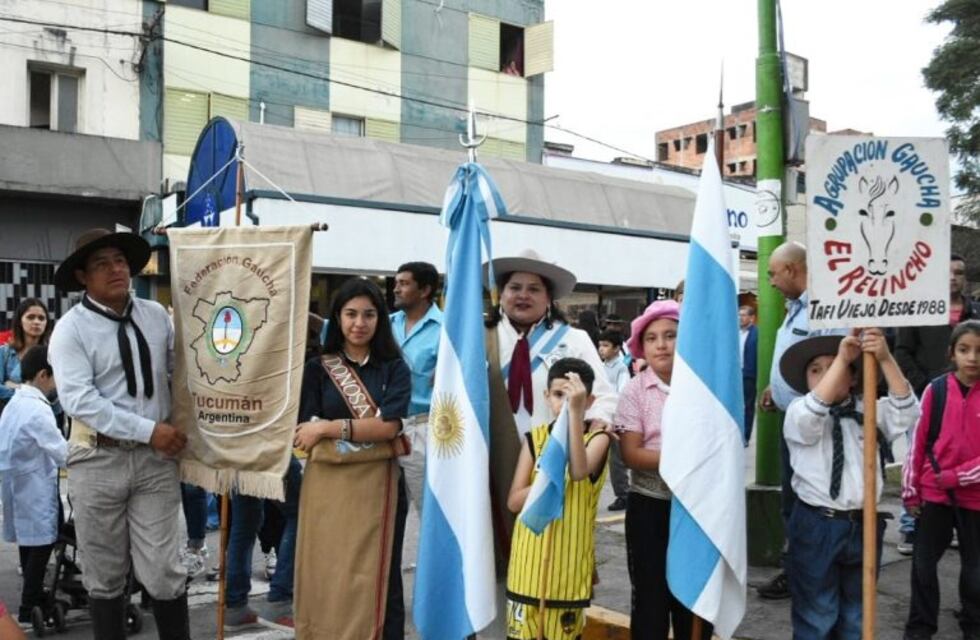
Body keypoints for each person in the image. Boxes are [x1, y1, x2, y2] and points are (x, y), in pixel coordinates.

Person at [48, 228, 190, 639]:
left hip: (155, 462)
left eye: (120, 261)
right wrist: (150, 431)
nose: (115, 269)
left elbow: (178, 373)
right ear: (82, 278)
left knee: (165, 570)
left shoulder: (156, 315)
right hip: (97, 459)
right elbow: (80, 401)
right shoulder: (70, 330)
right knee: (104, 574)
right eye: (101, 264)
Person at [483, 249, 617, 637]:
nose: (522, 295)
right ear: (501, 293)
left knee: (545, 556)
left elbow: (604, 397)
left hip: (552, 464)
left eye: (533, 289)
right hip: (492, 463)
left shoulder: (573, 339)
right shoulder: (482, 335)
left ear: (548, 298)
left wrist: (590, 435)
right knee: (490, 553)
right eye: (514, 287)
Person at [292, 278, 411, 640]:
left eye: (369, 314)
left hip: (379, 488)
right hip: (327, 487)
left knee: (380, 574)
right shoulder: (317, 368)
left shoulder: (394, 367)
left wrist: (331, 428)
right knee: (326, 569)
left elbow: (389, 427)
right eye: (351, 314)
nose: (360, 323)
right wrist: (354, 431)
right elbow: (304, 431)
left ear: (381, 320)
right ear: (338, 318)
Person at [780, 329, 916, 638]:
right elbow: (814, 411)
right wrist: (843, 358)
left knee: (857, 614)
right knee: (817, 615)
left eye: (838, 367)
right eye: (817, 370)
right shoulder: (800, 412)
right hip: (818, 526)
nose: (828, 373)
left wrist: (883, 357)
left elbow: (907, 411)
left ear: (855, 378)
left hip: (864, 523)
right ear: (806, 382)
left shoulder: (869, 409)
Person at [616, 299, 711, 640]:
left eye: (671, 335)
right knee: (650, 601)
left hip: (698, 508)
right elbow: (631, 454)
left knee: (694, 602)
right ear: (641, 346)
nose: (661, 344)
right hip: (650, 507)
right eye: (652, 337)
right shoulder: (634, 391)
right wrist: (686, 457)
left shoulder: (705, 387)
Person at [757, 241, 845, 600]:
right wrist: (774, 389)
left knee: (807, 503)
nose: (771, 282)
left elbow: (829, 371)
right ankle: (798, 569)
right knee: (792, 501)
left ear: (793, 270)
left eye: (773, 274)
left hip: (815, 429)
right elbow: (798, 360)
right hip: (792, 421)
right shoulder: (796, 309)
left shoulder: (825, 310)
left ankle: (804, 573)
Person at [504, 357, 611, 640]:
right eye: (559, 395)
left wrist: (574, 417)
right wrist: (545, 481)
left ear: (589, 401)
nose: (564, 403)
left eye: (574, 397)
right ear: (546, 396)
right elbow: (514, 501)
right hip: (526, 566)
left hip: (568, 569)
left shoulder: (598, 438)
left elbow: (578, 472)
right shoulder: (535, 439)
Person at [894, 253, 980, 555]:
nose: (953, 277)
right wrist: (924, 384)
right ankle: (910, 526)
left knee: (964, 455)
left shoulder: (975, 312)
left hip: (971, 394)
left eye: (959, 272)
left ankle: (957, 525)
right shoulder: (919, 309)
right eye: (947, 272)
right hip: (929, 395)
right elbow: (902, 350)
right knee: (919, 454)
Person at [903, 320, 980, 639]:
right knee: (922, 566)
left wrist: (957, 477)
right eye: (964, 350)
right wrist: (910, 491)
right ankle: (920, 627)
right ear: (951, 353)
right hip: (933, 494)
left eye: (978, 351)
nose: (972, 357)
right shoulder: (935, 390)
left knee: (975, 571)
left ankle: (974, 624)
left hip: (975, 498)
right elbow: (917, 443)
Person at [0, 346, 67, 624]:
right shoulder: (38, 410)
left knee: (29, 542)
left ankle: (35, 596)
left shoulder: (15, 403)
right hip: (35, 485)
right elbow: (63, 453)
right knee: (42, 543)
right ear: (43, 375)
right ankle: (29, 606)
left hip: (18, 483)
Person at [222, 458, 302, 631]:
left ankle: (235, 606)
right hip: (266, 444)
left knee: (245, 521)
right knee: (303, 511)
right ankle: (280, 601)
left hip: (237, 449)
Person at [390, 261, 443, 515]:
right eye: (396, 282)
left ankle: (429, 557)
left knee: (429, 511)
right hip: (385, 428)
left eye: (404, 283)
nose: (396, 289)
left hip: (424, 428)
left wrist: (449, 369)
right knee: (386, 514)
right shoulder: (385, 324)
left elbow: (476, 368)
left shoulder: (447, 330)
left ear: (424, 291)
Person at [0, 298, 54, 414]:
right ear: (20, 321)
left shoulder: (53, 354)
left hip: (43, 417)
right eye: (31, 317)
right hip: (9, 417)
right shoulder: (5, 353)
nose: (36, 322)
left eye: (41, 318)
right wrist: (31, 392)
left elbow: (55, 395)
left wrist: (16, 387)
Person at [597, 329, 630, 511]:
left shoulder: (621, 368)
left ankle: (623, 494)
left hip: (615, 420)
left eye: (606, 345)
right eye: (600, 345)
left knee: (617, 461)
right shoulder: (600, 366)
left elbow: (621, 394)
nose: (601, 349)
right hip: (601, 418)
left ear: (617, 348)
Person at [740, 305, 759, 443]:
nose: (740, 318)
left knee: (747, 406)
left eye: (743, 315)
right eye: (739, 315)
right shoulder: (734, 333)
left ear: (752, 318)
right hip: (735, 374)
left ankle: (745, 435)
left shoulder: (757, 333)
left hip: (748, 374)